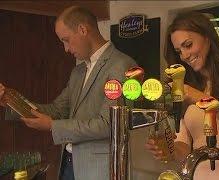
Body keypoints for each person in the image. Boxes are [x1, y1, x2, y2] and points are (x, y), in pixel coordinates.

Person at [0, 6, 136, 180]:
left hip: (99, 170)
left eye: (66, 40)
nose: (65, 49)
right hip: (68, 164)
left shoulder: (123, 66)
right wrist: (11, 100)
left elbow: (110, 125)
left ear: (82, 29)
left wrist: (52, 126)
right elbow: (57, 110)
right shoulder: (78, 71)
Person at [145, 11, 219, 180]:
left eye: (188, 45)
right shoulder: (187, 87)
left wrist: (201, 99)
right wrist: (169, 148)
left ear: (208, 37)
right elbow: (185, 148)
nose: (185, 56)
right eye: (179, 51)